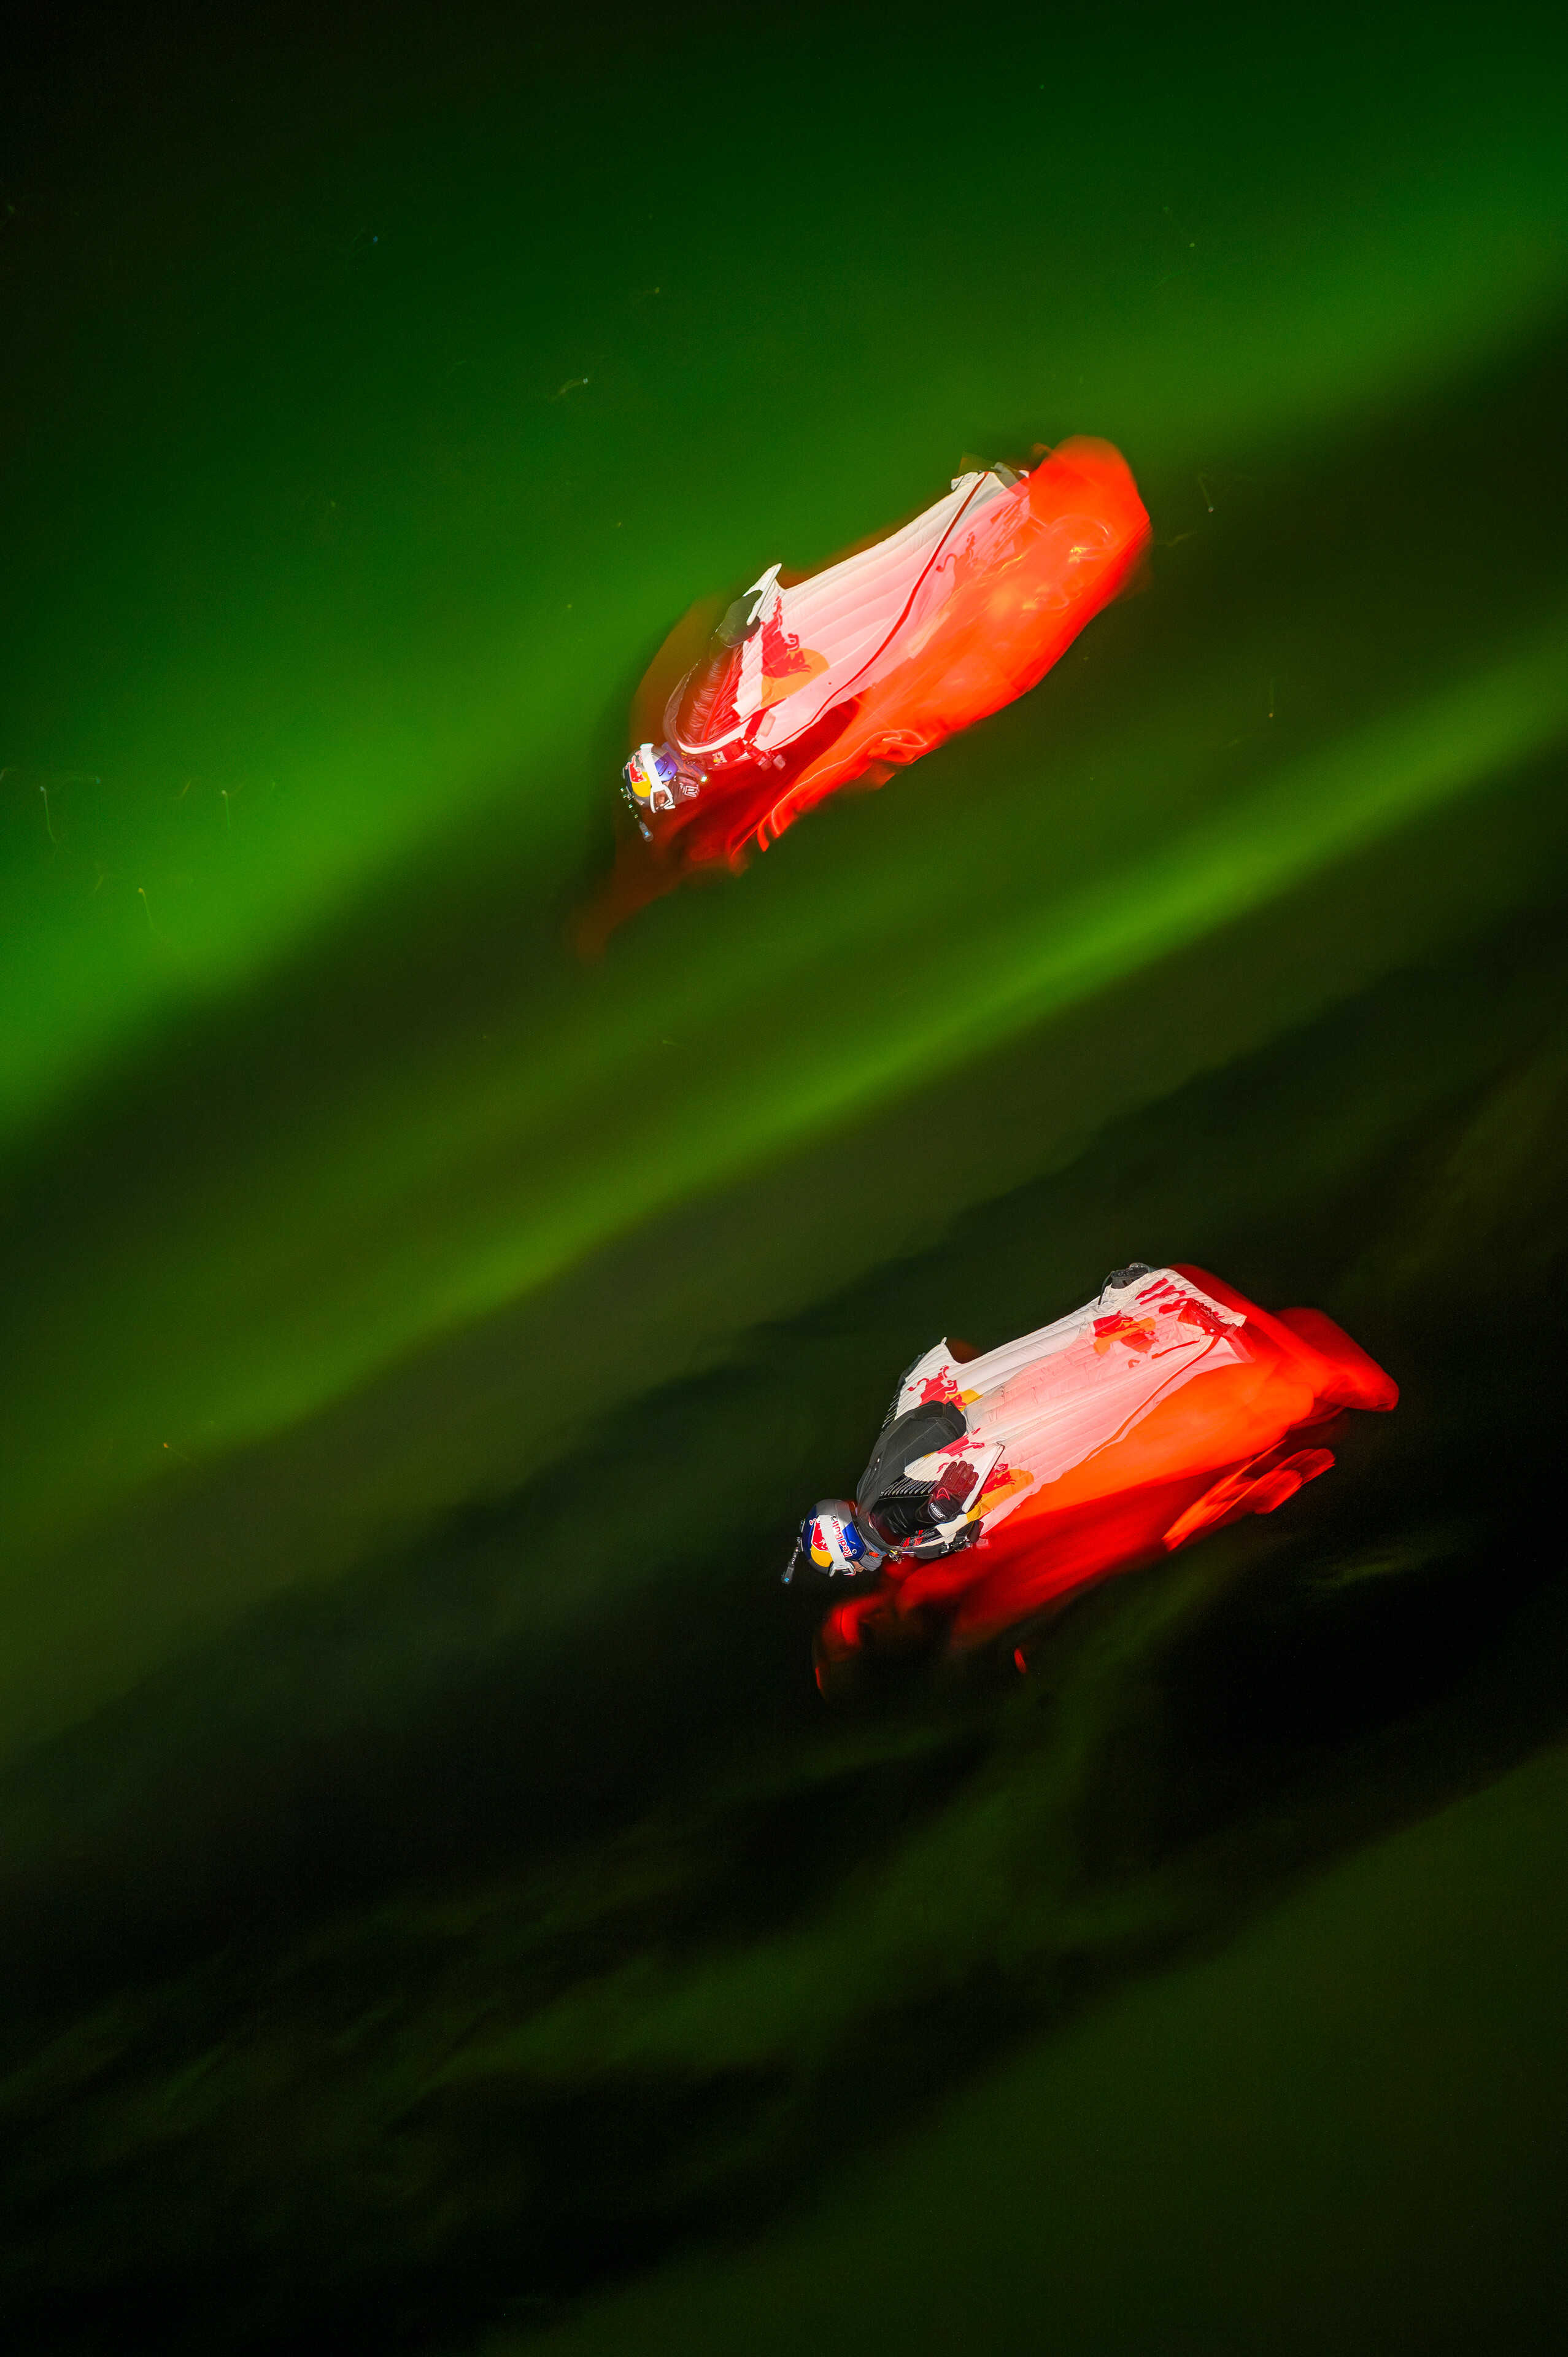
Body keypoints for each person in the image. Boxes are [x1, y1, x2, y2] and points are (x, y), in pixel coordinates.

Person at [786, 1263, 1398, 1662]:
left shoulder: (908, 1548)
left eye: (861, 1625)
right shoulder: (913, 1558)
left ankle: (1295, 1380)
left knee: (1173, 1431)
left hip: (1053, 1479)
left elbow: (959, 1489)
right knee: (1173, 1442)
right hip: (1057, 1495)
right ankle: (1288, 1391)